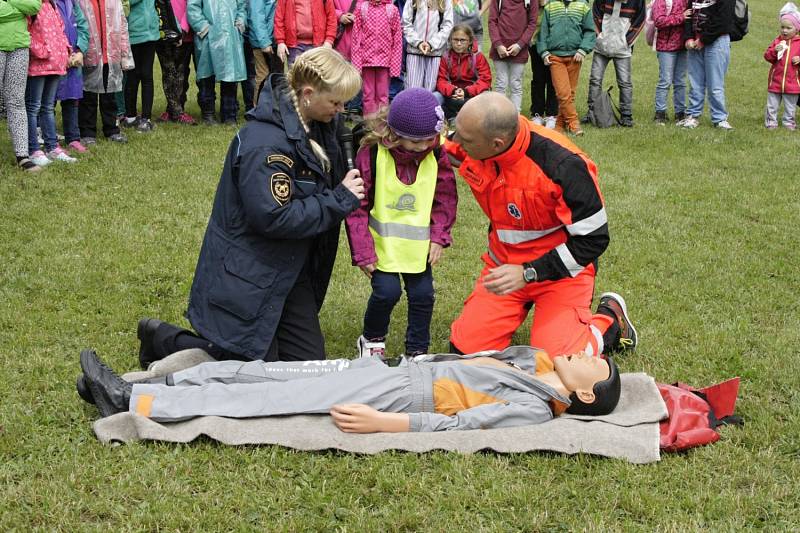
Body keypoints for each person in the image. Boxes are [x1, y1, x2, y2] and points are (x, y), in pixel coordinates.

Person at [136, 48, 364, 368]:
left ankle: (189, 340)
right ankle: (161, 338)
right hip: (250, 272)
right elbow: (273, 217)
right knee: (251, 370)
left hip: (288, 268)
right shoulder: (265, 144)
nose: (342, 110)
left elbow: (335, 175)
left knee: (307, 368)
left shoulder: (319, 122)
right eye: (336, 102)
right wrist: (340, 198)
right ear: (309, 94)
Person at [446, 92, 637, 360]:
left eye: (464, 141)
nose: (456, 143)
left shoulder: (564, 165)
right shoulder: (473, 141)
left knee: (558, 365)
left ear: (496, 144)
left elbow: (593, 240)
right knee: (465, 354)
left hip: (560, 276)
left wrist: (529, 272)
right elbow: (428, 145)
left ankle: (610, 321)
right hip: (503, 267)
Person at [77, 346, 622, 430]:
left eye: (593, 365)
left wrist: (390, 423)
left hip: (402, 397)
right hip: (395, 370)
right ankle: (163, 379)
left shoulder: (534, 407)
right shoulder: (536, 361)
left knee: (273, 400)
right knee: (273, 372)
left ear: (585, 396)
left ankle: (136, 402)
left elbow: (457, 425)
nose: (585, 353)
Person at [345, 88, 457, 359]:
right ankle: (371, 341)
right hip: (380, 247)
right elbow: (356, 206)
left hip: (418, 249)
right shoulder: (372, 154)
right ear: (394, 133)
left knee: (423, 296)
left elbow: (445, 196)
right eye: (415, 141)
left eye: (429, 139)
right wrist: (362, 252)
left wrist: (439, 236)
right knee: (386, 293)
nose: (423, 146)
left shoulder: (436, 153)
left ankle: (417, 349)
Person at [77, 0, 134, 145]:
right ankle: (87, 131)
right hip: (89, 55)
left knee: (110, 96)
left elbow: (122, 25)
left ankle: (111, 129)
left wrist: (125, 56)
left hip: (110, 55)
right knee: (87, 96)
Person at [26, 0, 75, 166]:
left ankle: (52, 147)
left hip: (55, 64)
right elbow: (25, 33)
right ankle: (33, 149)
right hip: (38, 65)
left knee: (48, 107)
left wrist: (66, 49)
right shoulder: (30, 6)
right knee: (33, 107)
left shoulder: (51, 5)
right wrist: (42, 51)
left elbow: (60, 30)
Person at [536, 0, 595, 136]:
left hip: (575, 56)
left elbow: (590, 31)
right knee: (563, 93)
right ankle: (574, 124)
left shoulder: (583, 6)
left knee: (570, 94)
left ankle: (560, 124)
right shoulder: (551, 6)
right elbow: (543, 32)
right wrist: (544, 51)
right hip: (555, 57)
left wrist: (583, 49)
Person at [583, 0, 645, 128]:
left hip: (623, 49)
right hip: (602, 46)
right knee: (595, 80)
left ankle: (626, 116)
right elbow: (595, 14)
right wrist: (599, 36)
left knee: (625, 83)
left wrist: (628, 41)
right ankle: (592, 113)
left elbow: (640, 20)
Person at [188, 0, 247, 125]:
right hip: (208, 38)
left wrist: (240, 23)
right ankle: (208, 114)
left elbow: (242, 6)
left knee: (230, 77)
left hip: (231, 36)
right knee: (206, 77)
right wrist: (203, 27)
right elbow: (193, 8)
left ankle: (229, 114)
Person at [678, 0, 734, 130]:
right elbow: (689, 15)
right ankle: (692, 115)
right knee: (695, 82)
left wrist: (703, 40)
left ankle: (719, 118)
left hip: (717, 41)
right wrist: (688, 38)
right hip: (696, 42)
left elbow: (723, 20)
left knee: (715, 84)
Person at [1, 0, 42, 172]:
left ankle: (22, 156)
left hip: (19, 46)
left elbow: (34, 6)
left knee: (17, 102)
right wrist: (19, 11)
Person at [350, 0, 403, 119]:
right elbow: (356, 38)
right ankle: (369, 124)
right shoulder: (362, 8)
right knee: (367, 95)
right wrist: (357, 64)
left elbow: (397, 38)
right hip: (366, 60)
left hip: (385, 61)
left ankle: (382, 123)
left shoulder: (392, 10)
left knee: (383, 95)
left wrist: (395, 65)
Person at [488, 0, 538, 113]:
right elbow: (492, 21)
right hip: (500, 49)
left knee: (516, 84)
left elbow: (532, 24)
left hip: (519, 50)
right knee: (501, 83)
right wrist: (498, 44)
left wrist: (520, 45)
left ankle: (516, 115)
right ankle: (500, 115)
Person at [435, 24, 492, 120]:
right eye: (455, 40)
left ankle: (477, 120)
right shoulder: (445, 57)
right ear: (450, 40)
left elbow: (485, 80)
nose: (458, 44)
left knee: (487, 96)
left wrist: (466, 92)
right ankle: (448, 117)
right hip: (452, 94)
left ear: (470, 41)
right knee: (435, 97)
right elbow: (441, 80)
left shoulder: (477, 57)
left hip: (472, 94)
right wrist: (453, 90)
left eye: (462, 40)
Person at [54, 0, 90, 153]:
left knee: (72, 99)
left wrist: (81, 50)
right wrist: (63, 54)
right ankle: (50, 140)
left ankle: (73, 138)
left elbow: (83, 27)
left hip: (74, 59)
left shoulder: (73, 3)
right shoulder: (49, 4)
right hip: (55, 59)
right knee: (48, 102)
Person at [155, 0, 197, 123]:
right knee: (168, 72)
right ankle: (174, 111)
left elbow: (192, 6)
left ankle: (176, 111)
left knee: (180, 73)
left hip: (184, 35)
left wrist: (182, 30)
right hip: (164, 35)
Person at [121, 0, 160, 132]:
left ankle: (146, 118)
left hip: (151, 33)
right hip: (133, 33)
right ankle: (131, 117)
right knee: (132, 76)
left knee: (147, 76)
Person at [651, 0, 690, 125]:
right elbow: (659, 20)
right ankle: (660, 113)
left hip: (683, 47)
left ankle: (680, 113)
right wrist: (681, 17)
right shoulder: (661, 1)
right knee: (665, 80)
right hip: (665, 47)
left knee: (680, 81)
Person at [402, 0, 454, 90]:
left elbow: (447, 25)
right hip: (414, 53)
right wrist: (418, 43)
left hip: (435, 54)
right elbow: (405, 24)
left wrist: (432, 44)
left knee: (431, 91)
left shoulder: (445, 1)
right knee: (413, 90)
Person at [763, 9, 800, 130]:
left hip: (792, 82)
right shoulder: (777, 41)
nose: (784, 30)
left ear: (797, 29)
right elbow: (767, 56)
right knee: (772, 104)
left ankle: (788, 122)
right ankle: (771, 121)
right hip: (776, 81)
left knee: (790, 105)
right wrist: (774, 51)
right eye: (782, 27)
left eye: (788, 28)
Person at [274, 0, 337, 67]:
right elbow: (279, 18)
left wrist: (329, 40)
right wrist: (280, 41)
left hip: (318, 45)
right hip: (295, 46)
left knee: (316, 74)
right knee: (296, 74)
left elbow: (332, 17)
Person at [246, 0, 283, 107]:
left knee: (278, 76)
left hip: (277, 40)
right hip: (262, 42)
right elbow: (256, 18)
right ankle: (258, 108)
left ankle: (275, 108)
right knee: (263, 75)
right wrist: (264, 42)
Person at [529, 0, 558, 129]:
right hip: (535, 43)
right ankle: (537, 113)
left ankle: (551, 114)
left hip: (553, 44)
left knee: (553, 79)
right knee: (538, 78)